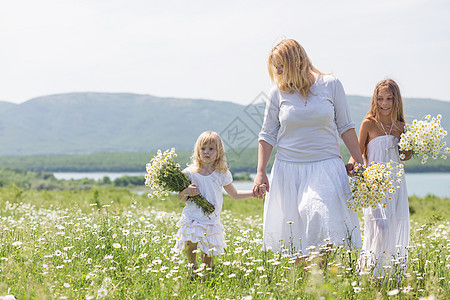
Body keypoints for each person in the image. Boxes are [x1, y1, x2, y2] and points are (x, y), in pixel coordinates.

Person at [253, 39, 364, 257]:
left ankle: (318, 274)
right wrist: (260, 172)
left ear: (297, 63)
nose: (277, 71)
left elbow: (346, 127)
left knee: (320, 217)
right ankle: (306, 282)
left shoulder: (331, 84)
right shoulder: (277, 93)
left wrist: (359, 161)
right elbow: (267, 135)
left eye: (281, 66)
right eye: (275, 66)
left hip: (326, 167)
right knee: (296, 235)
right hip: (289, 170)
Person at [175, 131, 266, 269]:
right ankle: (191, 267)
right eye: (203, 148)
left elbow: (234, 194)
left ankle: (206, 272)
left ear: (219, 152)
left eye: (211, 149)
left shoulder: (221, 173)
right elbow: (181, 198)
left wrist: (253, 193)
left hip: (211, 219)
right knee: (190, 242)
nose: (206, 152)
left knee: (209, 251)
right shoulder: (190, 173)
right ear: (197, 151)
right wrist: (187, 191)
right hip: (192, 216)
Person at [353, 79, 411, 276]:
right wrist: (353, 171)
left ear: (396, 100)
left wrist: (413, 141)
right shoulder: (369, 123)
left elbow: (405, 156)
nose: (384, 103)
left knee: (393, 225)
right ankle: (371, 272)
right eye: (380, 98)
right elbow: (357, 153)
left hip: (395, 185)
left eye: (389, 99)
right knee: (381, 226)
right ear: (375, 100)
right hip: (374, 185)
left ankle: (390, 274)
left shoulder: (401, 126)